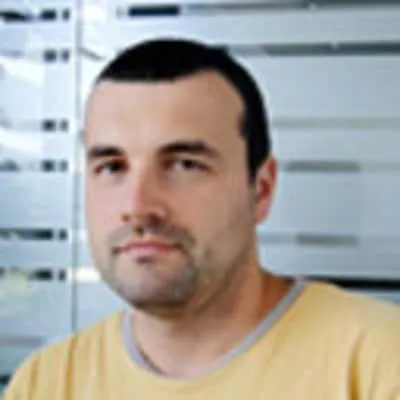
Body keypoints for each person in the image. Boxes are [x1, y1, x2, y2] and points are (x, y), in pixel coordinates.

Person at [4, 38, 400, 400]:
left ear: (261, 190)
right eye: (112, 167)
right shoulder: (45, 383)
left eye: (184, 164)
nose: (138, 206)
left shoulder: (378, 365)